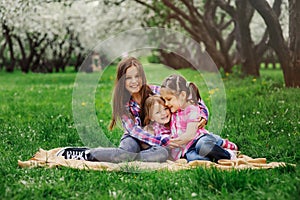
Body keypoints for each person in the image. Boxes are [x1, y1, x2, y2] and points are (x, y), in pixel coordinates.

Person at [159, 74, 238, 162]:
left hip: (199, 139)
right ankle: (214, 154)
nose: (166, 103)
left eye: (169, 99)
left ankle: (228, 153)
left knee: (203, 146)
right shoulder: (174, 112)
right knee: (194, 159)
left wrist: (172, 142)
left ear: (182, 95)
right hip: (188, 148)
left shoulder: (191, 109)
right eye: (164, 100)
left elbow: (189, 135)